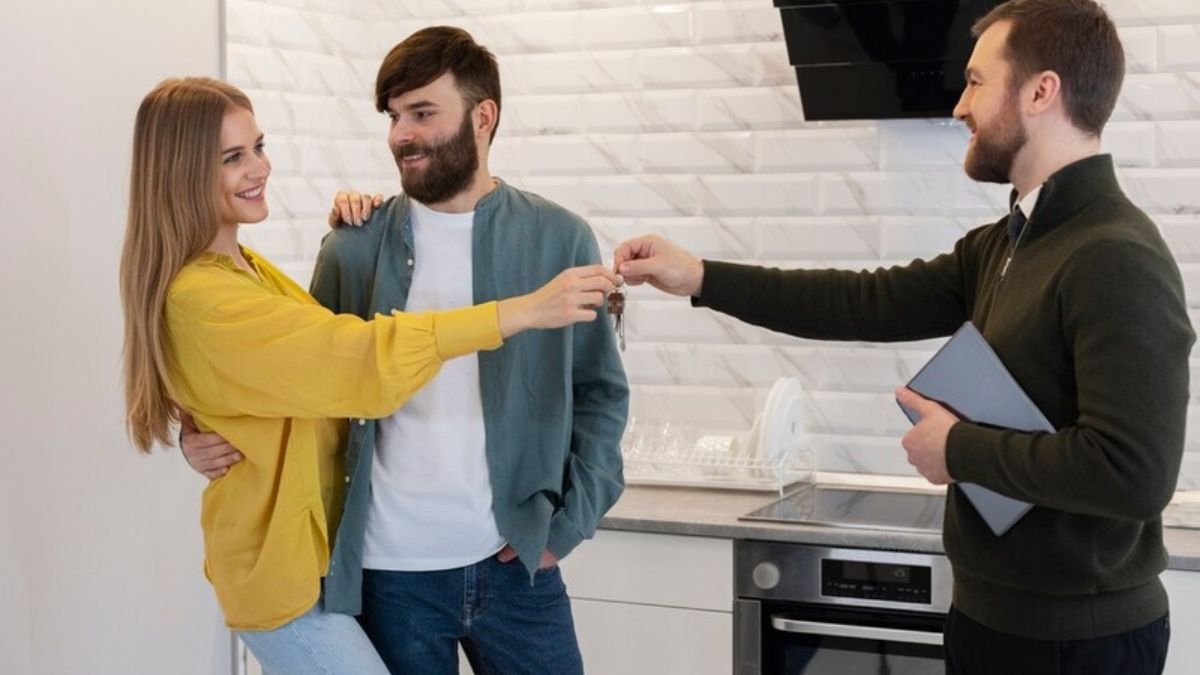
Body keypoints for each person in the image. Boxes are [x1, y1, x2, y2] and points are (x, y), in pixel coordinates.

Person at [614, 1, 1191, 674]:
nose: (958, 107)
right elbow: (862, 302)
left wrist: (959, 448)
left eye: (976, 81)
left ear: (1041, 91)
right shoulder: (1008, 243)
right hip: (990, 619)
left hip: (1076, 644)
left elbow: (1135, 475)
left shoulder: (1115, 254)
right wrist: (701, 276)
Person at [119, 77, 619, 675]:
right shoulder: (235, 284)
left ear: (483, 117)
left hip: (496, 558)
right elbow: (354, 361)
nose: (260, 167)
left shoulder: (247, 268)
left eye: (257, 146)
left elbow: (282, 380)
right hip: (329, 574)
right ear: (180, 173)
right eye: (234, 157)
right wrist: (522, 311)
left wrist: (569, 521)